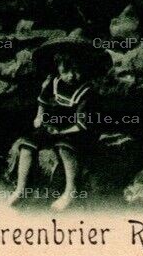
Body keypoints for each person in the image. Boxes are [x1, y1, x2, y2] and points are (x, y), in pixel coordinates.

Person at [7, 38, 109, 210]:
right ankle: (21, 189)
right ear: (58, 68)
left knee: (64, 146)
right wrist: (39, 118)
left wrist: (61, 132)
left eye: (76, 70)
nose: (71, 75)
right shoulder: (53, 83)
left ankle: (71, 191)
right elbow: (43, 102)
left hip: (78, 130)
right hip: (54, 127)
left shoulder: (86, 91)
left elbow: (82, 123)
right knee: (27, 144)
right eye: (66, 70)